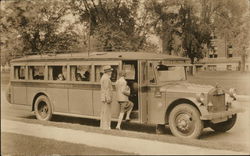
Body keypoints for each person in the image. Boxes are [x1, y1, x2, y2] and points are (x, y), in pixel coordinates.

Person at [100, 65, 113, 130]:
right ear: (107, 71)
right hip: (106, 98)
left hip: (104, 98)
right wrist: (108, 98)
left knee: (104, 112)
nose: (111, 72)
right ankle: (106, 127)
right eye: (110, 71)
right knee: (107, 113)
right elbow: (107, 89)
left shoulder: (104, 77)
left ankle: (103, 126)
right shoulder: (106, 78)